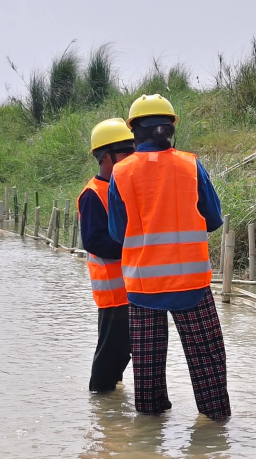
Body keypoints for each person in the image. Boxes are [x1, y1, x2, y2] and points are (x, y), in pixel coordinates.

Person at [107, 94, 230, 419]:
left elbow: (118, 233)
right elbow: (213, 219)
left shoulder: (121, 173)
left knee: (147, 373)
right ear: (171, 129)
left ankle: (149, 433)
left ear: (134, 132)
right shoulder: (190, 165)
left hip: (143, 288)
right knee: (209, 365)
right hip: (192, 286)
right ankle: (216, 427)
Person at [78, 118, 136, 393]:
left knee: (124, 350)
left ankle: (111, 399)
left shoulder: (125, 186)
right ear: (105, 157)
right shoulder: (93, 194)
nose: (131, 157)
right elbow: (94, 241)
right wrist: (134, 247)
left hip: (133, 288)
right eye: (125, 152)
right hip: (114, 292)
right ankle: (101, 403)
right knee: (111, 352)